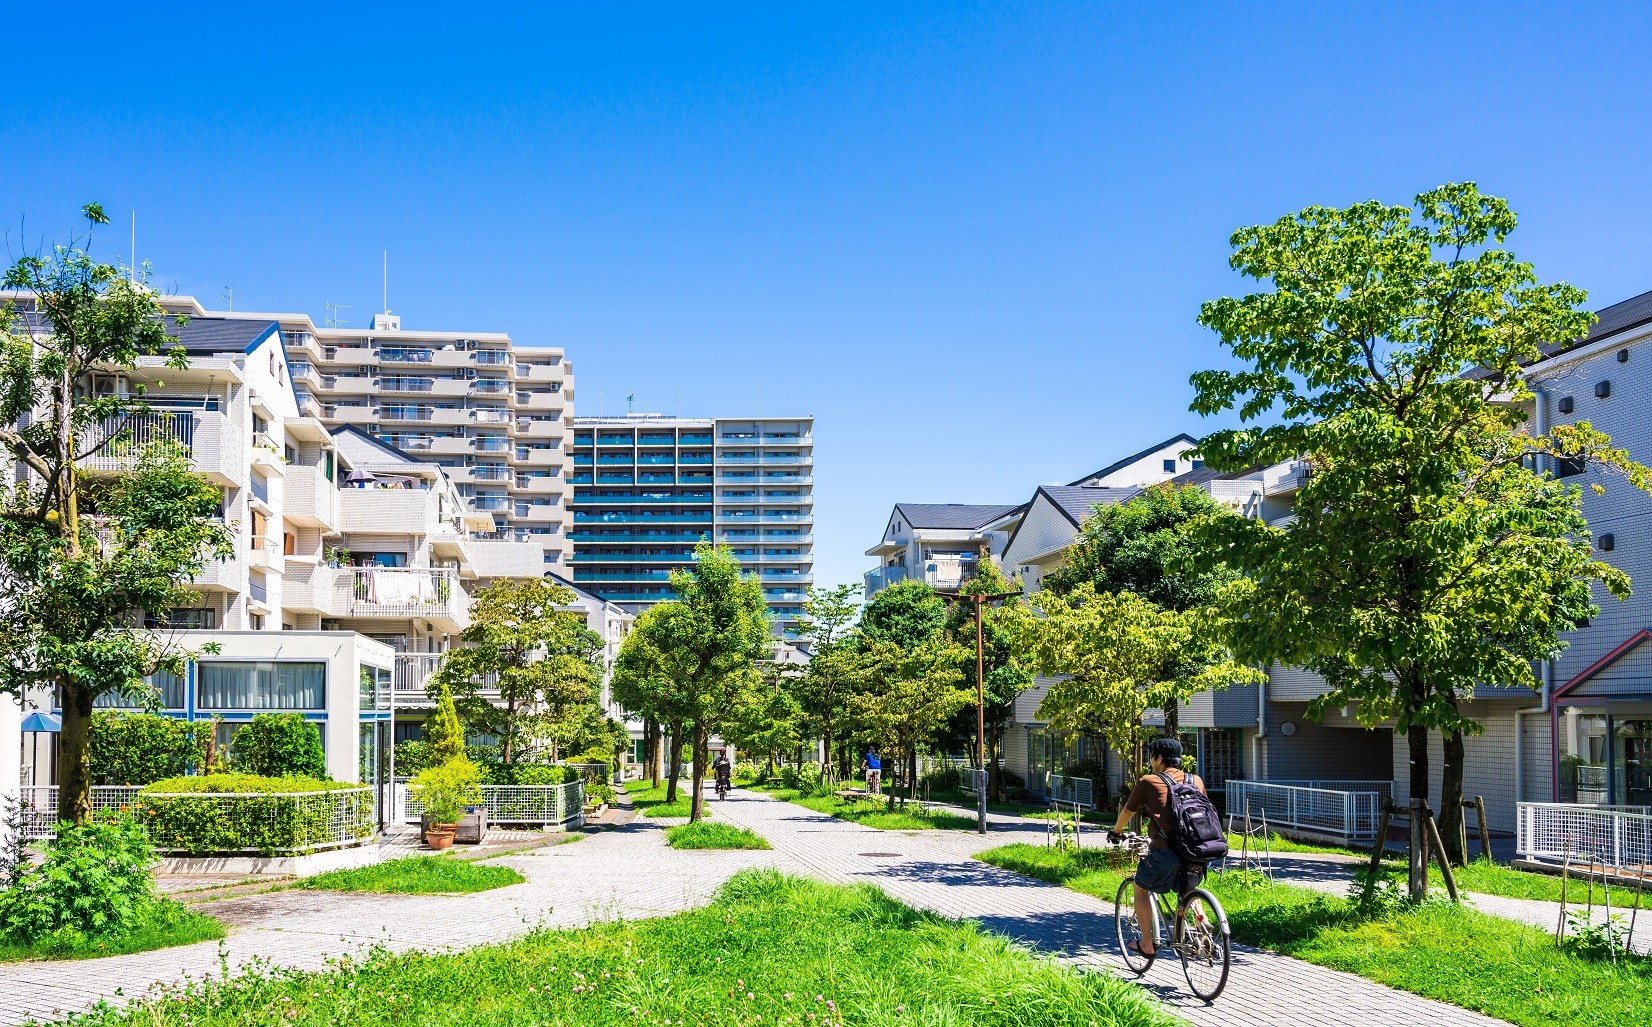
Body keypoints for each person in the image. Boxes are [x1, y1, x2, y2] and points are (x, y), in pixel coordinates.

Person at [1108, 737, 1207, 958]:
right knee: (1187, 887)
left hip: (1167, 851)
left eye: (1151, 756)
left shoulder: (1150, 781)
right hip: (1198, 851)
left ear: (1159, 758)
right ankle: (1203, 924)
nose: (1150, 760)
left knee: (1140, 887)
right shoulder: (1196, 780)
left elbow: (1127, 811)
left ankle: (1147, 944)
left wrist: (1115, 833)